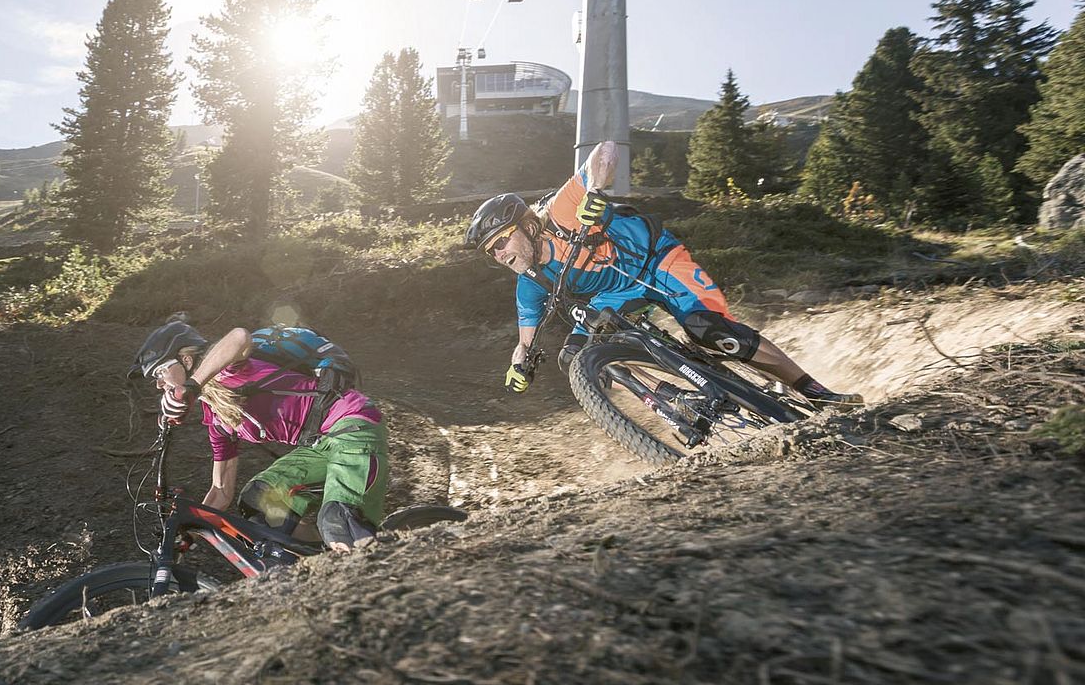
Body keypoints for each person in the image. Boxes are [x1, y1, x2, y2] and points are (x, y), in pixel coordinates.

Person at [463, 141, 861, 405]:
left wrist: (597, 192)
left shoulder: (562, 213)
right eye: (490, 252)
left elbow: (604, 152)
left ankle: (814, 391)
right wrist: (519, 363)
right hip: (615, 297)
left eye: (501, 242)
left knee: (710, 329)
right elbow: (525, 340)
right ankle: (667, 399)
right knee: (576, 355)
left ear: (528, 227)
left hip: (657, 261)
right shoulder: (529, 282)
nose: (498, 254)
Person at [132, 317, 390, 553]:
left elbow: (239, 337)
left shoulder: (232, 370)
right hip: (321, 445)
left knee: (337, 520)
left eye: (159, 371)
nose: (158, 384)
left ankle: (378, 565)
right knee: (260, 503)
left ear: (186, 361)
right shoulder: (219, 420)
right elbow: (221, 491)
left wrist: (191, 385)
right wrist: (188, 532)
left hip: (353, 426)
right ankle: (323, 556)